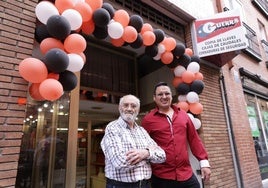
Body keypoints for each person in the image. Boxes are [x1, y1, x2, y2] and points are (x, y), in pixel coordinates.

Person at [141, 82, 211, 188]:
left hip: (186, 174)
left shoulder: (183, 115)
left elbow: (194, 139)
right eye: (160, 94)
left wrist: (204, 162)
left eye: (167, 93)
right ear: (154, 98)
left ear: (171, 96)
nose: (164, 97)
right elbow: (143, 145)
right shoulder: (148, 120)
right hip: (161, 177)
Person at [101, 94, 166, 188]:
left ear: (138, 110)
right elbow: (120, 162)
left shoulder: (142, 131)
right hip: (121, 185)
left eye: (133, 106)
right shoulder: (112, 128)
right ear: (120, 108)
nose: (129, 108)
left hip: (145, 185)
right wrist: (149, 156)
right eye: (125, 105)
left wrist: (146, 153)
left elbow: (162, 156)